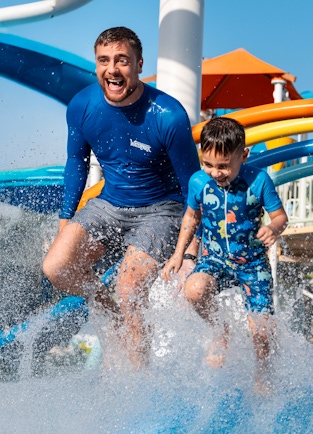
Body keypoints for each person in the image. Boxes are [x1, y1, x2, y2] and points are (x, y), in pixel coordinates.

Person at [42, 27, 201, 369]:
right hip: (109, 204)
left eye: (122, 60)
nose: (112, 69)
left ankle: (137, 381)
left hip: (161, 209)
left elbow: (194, 185)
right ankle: (104, 305)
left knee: (129, 289)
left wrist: (191, 248)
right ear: (96, 65)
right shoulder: (82, 105)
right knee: (56, 267)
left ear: (139, 64)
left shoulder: (168, 115)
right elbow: (76, 162)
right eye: (103, 60)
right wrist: (65, 220)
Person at [161, 117, 288, 394]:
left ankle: (263, 375)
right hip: (214, 259)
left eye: (223, 166)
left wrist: (273, 228)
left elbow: (280, 216)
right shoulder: (198, 182)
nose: (215, 172)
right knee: (194, 290)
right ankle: (221, 330)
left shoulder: (259, 180)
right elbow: (191, 218)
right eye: (208, 164)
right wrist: (178, 254)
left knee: (262, 332)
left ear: (243, 155)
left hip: (252, 264)